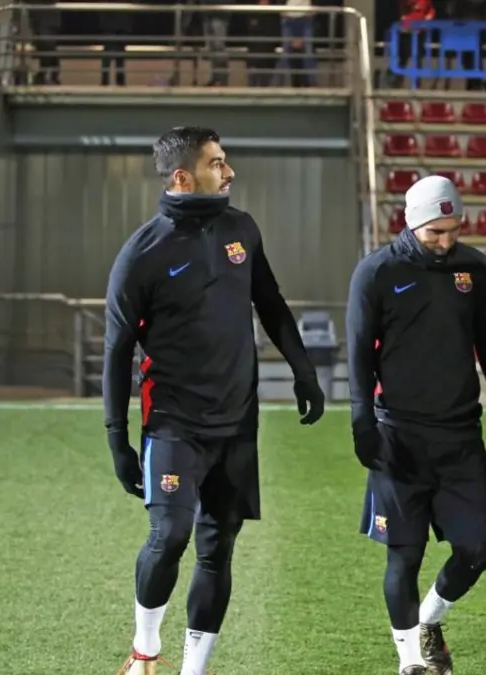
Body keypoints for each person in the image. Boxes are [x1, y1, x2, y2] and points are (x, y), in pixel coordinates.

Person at [103, 126, 327, 675]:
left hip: (237, 421)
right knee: (169, 534)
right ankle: (145, 651)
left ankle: (194, 669)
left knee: (217, 546)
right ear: (183, 177)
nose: (229, 172)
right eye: (217, 163)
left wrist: (303, 371)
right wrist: (117, 439)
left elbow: (270, 302)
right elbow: (117, 350)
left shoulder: (241, 229)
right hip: (173, 421)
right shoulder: (142, 253)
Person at [345, 175, 486, 675]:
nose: (446, 241)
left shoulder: (473, 268)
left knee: (477, 549)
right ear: (411, 224)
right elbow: (358, 355)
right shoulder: (376, 273)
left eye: (454, 230)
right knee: (405, 556)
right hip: (398, 435)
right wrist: (361, 420)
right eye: (435, 232)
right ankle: (409, 664)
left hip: (460, 436)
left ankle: (429, 619)